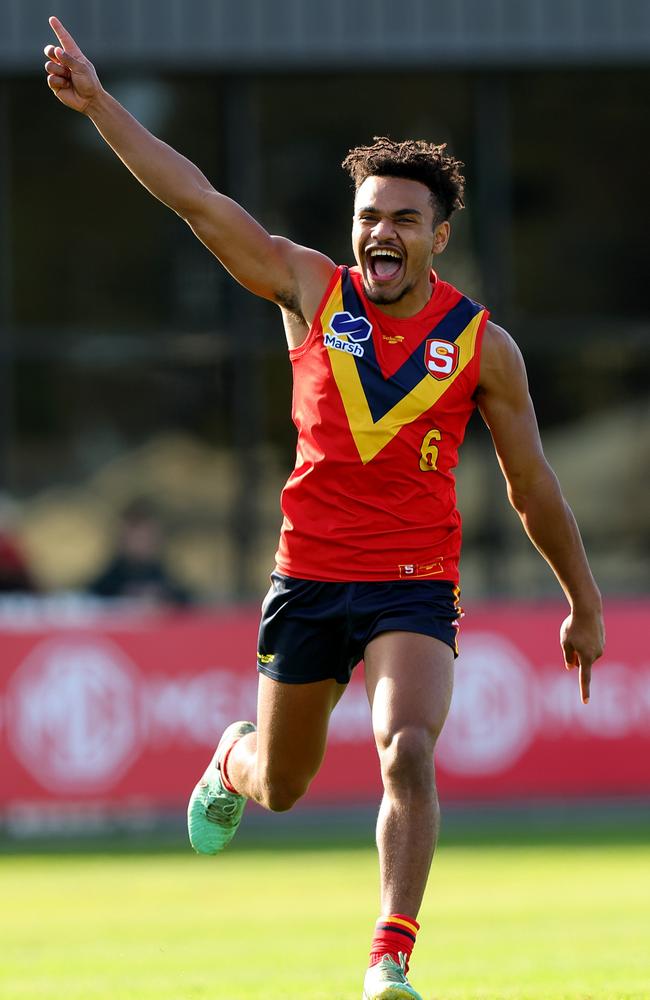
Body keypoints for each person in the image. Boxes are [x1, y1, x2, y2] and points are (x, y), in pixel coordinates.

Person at [45, 17, 605, 1000]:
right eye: (365, 215)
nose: (377, 232)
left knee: (407, 743)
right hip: (306, 579)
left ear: (437, 235)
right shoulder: (308, 288)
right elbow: (194, 200)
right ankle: (233, 754)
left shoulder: (482, 347)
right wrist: (99, 105)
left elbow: (531, 488)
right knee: (287, 786)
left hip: (411, 585)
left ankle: (388, 957)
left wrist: (582, 601)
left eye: (400, 218)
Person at [87, 497, 190, 607]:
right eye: (135, 536)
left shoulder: (168, 582)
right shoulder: (106, 584)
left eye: (146, 536)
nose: (140, 542)